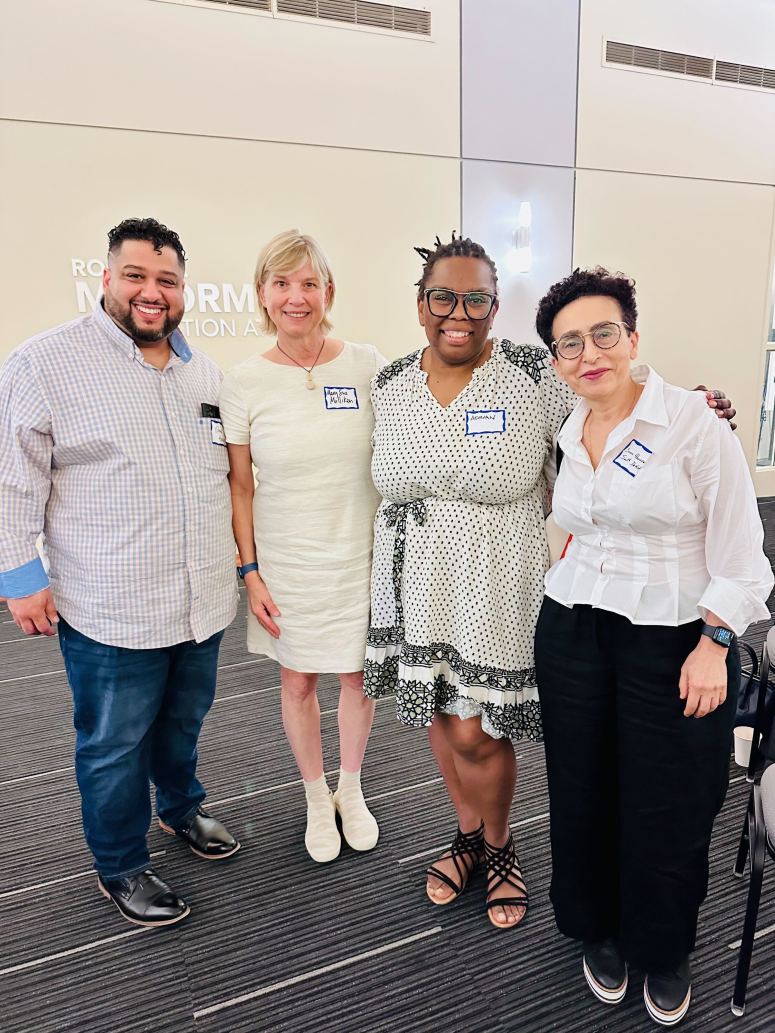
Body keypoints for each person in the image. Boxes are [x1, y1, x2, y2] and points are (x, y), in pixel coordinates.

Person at [364, 236, 739, 933]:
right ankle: (466, 834)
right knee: (442, 717)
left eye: (476, 299)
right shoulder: (387, 382)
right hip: (413, 578)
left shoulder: (532, 373)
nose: (458, 312)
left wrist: (694, 402)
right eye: (443, 296)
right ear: (420, 304)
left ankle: (499, 844)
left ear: (493, 307)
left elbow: (611, 392)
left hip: (496, 578)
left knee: (478, 729)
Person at [533, 267, 773, 1025]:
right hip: (573, 628)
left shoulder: (694, 425)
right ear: (556, 360)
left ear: (633, 339)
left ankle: (662, 946)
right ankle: (596, 926)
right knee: (581, 786)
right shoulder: (570, 427)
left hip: (673, 637)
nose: (588, 353)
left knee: (669, 796)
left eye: (603, 333)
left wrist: (714, 642)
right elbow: (581, 522)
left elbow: (744, 556)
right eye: (569, 343)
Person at [0, 218, 240, 928]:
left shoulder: (204, 372)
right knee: (113, 744)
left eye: (167, 280)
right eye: (135, 275)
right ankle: (120, 864)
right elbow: (13, 480)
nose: (151, 292)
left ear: (183, 289)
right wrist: (19, 576)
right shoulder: (46, 362)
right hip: (111, 605)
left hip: (200, 598)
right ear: (106, 279)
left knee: (183, 722)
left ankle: (180, 808)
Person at [219, 230, 385, 863]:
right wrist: (250, 572)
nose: (296, 296)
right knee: (298, 682)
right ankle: (316, 796)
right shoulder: (243, 382)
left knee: (359, 678)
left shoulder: (366, 364)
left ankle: (352, 787)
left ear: (328, 292)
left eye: (309, 283)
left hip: (359, 554)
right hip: (287, 559)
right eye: (282, 283)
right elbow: (240, 486)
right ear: (263, 294)